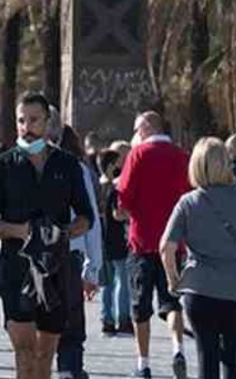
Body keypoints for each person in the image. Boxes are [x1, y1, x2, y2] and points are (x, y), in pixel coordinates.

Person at [0, 92, 94, 379]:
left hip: (56, 268)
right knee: (24, 351)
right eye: (21, 120)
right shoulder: (3, 165)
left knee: (45, 355)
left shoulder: (67, 165)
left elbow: (86, 216)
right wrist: (23, 231)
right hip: (16, 266)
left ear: (47, 122)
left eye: (33, 120)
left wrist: (64, 232)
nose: (26, 127)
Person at [162, 137, 236, 379]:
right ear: (225, 163)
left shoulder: (188, 202)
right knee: (234, 359)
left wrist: (173, 280)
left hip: (199, 290)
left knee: (207, 356)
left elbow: (166, 247)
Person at [117, 112, 190, 379]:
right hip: (173, 244)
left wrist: (121, 212)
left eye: (137, 128)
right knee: (172, 303)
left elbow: (123, 198)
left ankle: (143, 363)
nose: (135, 134)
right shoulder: (180, 156)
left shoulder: (137, 155)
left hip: (142, 242)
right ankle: (177, 349)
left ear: (148, 127)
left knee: (140, 307)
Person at [56, 124, 102, 379]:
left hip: (38, 255)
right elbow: (91, 219)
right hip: (70, 253)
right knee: (71, 326)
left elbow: (90, 218)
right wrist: (92, 267)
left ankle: (67, 369)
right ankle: (68, 370)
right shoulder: (78, 168)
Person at [98, 148, 131, 337]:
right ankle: (123, 318)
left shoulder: (97, 186)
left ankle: (107, 319)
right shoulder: (114, 188)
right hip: (116, 238)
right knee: (122, 280)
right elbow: (117, 214)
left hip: (101, 238)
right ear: (111, 166)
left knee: (107, 282)